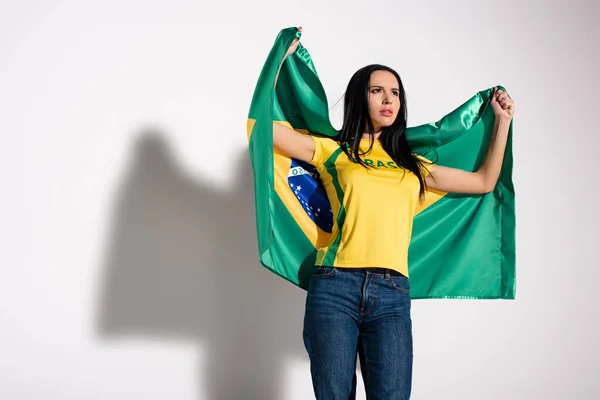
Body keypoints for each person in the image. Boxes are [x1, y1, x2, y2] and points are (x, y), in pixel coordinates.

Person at [271, 27, 515, 400]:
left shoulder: (413, 166)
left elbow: (483, 181)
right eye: (377, 90)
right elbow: (262, 128)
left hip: (392, 294)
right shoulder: (333, 151)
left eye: (395, 92)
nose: (389, 99)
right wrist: (280, 60)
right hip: (335, 286)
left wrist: (502, 122)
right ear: (360, 98)